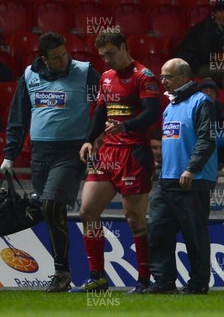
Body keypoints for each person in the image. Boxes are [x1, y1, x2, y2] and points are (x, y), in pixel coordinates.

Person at [0, 32, 100, 292]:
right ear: (44, 58)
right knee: (50, 210)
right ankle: (63, 273)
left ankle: (62, 273)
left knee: (52, 204)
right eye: (56, 58)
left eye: (65, 54)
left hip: (72, 152)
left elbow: (107, 103)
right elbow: (18, 116)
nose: (64, 60)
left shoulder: (84, 71)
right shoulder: (30, 76)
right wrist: (9, 154)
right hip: (40, 153)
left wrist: (97, 136)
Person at [71, 31, 160, 294]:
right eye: (102, 55)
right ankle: (97, 277)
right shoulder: (106, 78)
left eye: (110, 53)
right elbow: (100, 111)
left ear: (123, 46)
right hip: (107, 152)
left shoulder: (144, 77)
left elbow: (152, 114)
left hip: (134, 153)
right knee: (87, 211)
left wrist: (125, 126)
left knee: (134, 218)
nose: (106, 60)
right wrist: (88, 140)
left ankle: (144, 279)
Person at [146, 58, 217, 294]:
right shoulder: (169, 107)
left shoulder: (202, 102)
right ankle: (164, 281)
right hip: (166, 181)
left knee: (194, 235)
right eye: (162, 76)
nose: (162, 81)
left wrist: (191, 168)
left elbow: (206, 140)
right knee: (157, 228)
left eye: (168, 76)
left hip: (192, 181)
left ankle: (198, 284)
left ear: (184, 78)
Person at [175, 2, 224, 93]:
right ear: (215, 12)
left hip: (208, 64)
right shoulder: (205, 29)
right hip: (194, 66)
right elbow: (204, 56)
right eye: (221, 11)